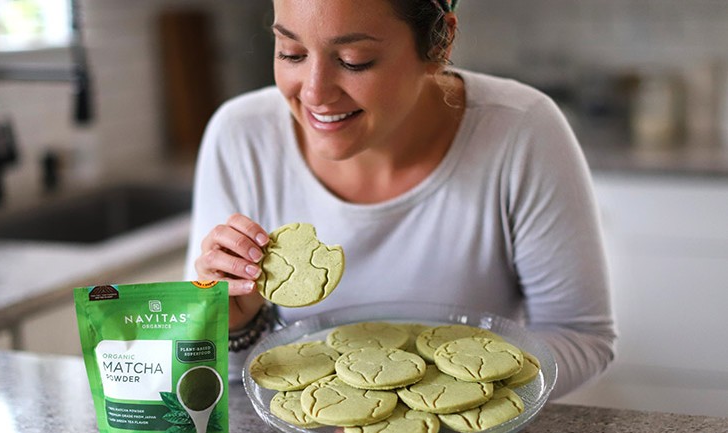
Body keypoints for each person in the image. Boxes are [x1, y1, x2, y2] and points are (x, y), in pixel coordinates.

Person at [185, 0, 616, 399]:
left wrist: (429, 404)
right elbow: (218, 370)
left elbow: (580, 336)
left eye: (355, 61)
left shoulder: (522, 132)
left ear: (440, 42)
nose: (315, 92)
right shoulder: (241, 136)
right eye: (291, 53)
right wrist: (233, 325)